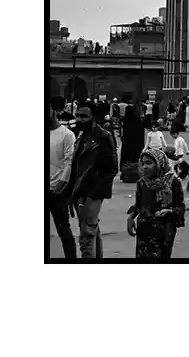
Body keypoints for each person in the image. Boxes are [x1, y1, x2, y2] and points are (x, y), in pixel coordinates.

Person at [65, 101, 118, 259]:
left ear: (93, 117)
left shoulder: (103, 137)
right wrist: (71, 192)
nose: (79, 119)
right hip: (80, 191)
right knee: (91, 229)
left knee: (87, 235)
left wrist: (93, 195)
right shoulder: (80, 137)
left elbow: (111, 169)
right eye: (77, 115)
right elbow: (76, 168)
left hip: (93, 192)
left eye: (84, 116)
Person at [127, 146, 186, 259]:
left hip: (164, 230)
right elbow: (139, 204)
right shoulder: (142, 182)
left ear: (160, 163)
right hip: (144, 229)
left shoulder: (174, 182)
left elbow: (181, 207)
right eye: (143, 163)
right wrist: (131, 218)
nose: (144, 167)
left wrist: (169, 211)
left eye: (149, 163)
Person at [49, 105, 77, 259]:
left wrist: (60, 185)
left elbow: (69, 163)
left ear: (53, 111)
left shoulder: (67, 135)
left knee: (63, 230)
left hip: (57, 191)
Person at [120, 104, 145, 168]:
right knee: (135, 163)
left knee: (126, 163)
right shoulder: (139, 120)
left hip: (127, 145)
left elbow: (122, 134)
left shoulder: (124, 120)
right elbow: (141, 134)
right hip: (136, 145)